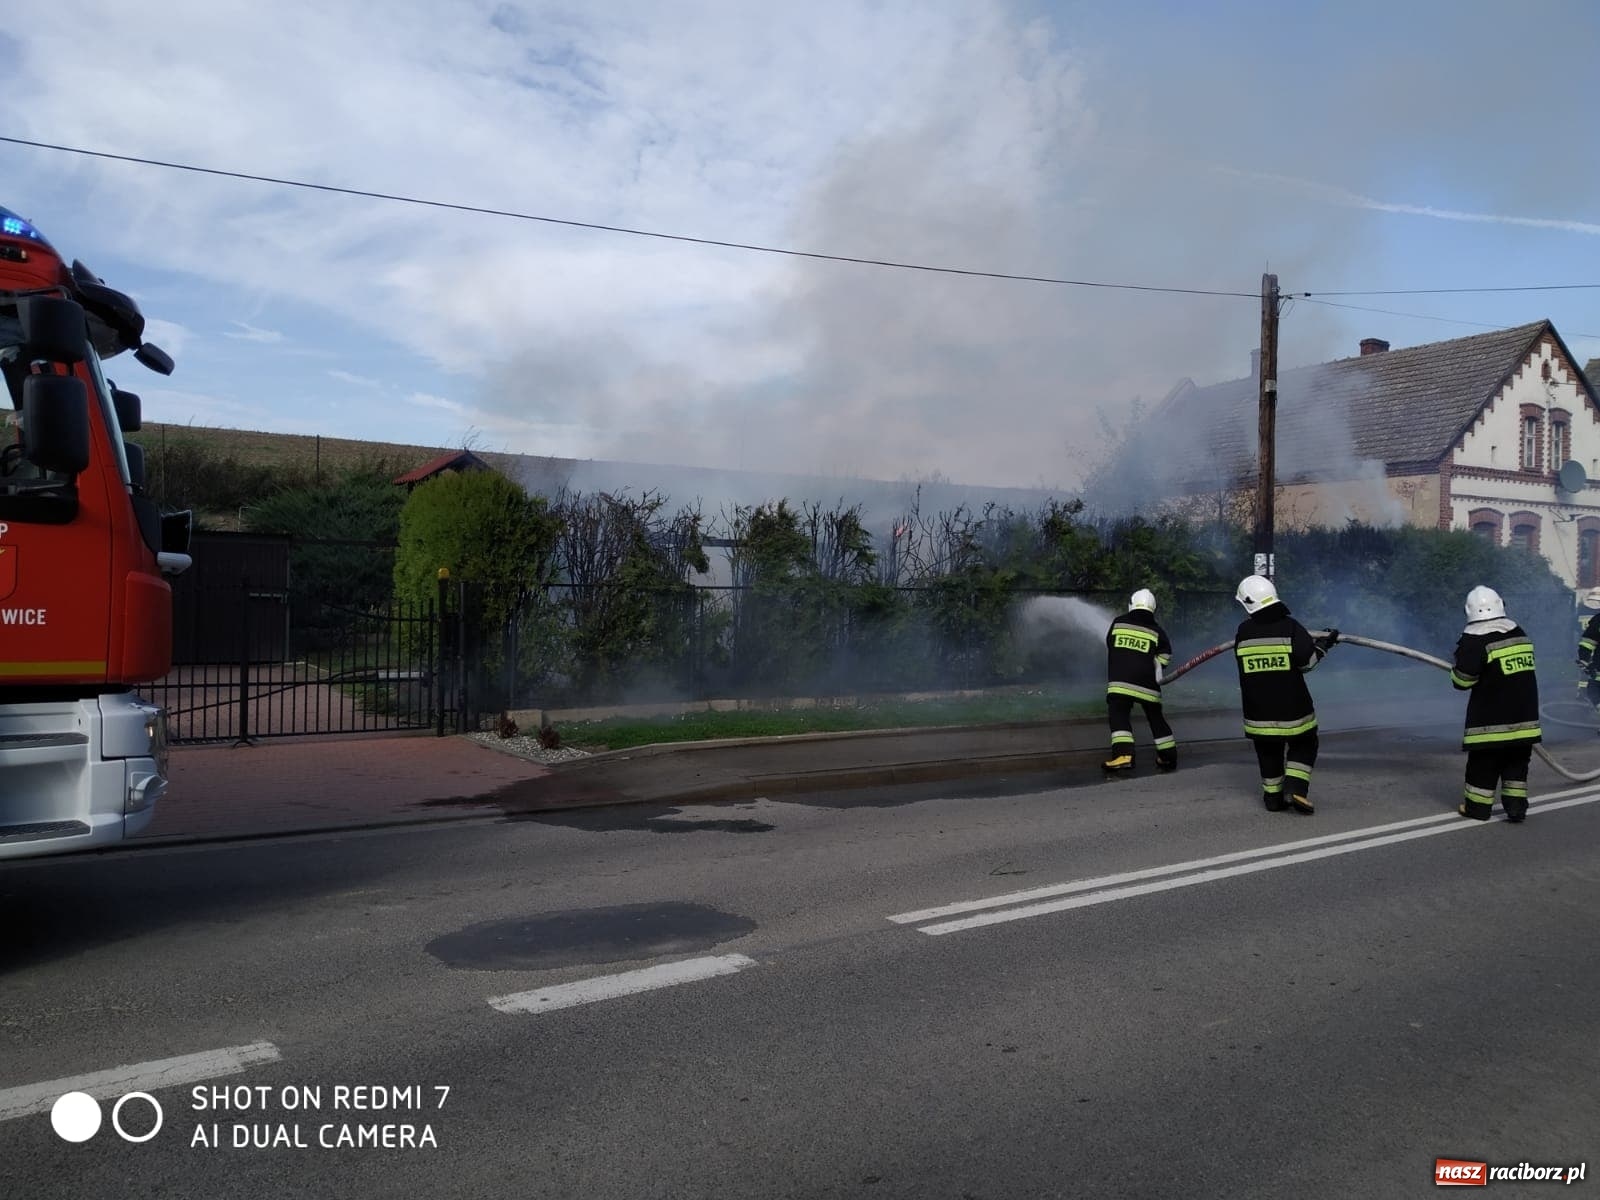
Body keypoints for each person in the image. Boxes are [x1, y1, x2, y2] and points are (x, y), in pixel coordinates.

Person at [1232, 575, 1337, 814]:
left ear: (1249, 603)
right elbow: (1306, 663)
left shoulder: (1243, 632)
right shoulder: (1291, 627)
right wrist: (1323, 646)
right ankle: (1295, 787)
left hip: (1257, 712)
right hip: (1293, 709)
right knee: (1305, 743)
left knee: (1268, 751)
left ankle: (1272, 798)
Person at [1451, 585, 1540, 822]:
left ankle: (1477, 809)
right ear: (1501, 605)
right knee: (1516, 767)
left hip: (1489, 725)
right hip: (1525, 721)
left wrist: (1456, 667)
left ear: (1469, 611)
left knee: (1483, 767)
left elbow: (1462, 681)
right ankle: (1516, 809)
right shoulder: (1518, 632)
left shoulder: (1474, 640)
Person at [1101, 588, 1177, 774]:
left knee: (1119, 715)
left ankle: (1124, 755)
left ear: (1131, 604)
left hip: (1121, 683)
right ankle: (1168, 757)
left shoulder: (1118, 623)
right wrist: (1157, 664)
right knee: (1156, 719)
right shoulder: (1157, 631)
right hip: (1149, 685)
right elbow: (1166, 655)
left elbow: (1110, 643)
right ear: (1153, 609)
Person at [1575, 589, 1600, 716]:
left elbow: (1574, 628)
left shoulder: (1583, 611)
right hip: (1594, 648)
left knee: (1593, 687)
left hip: (1586, 645)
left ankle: (1581, 692)